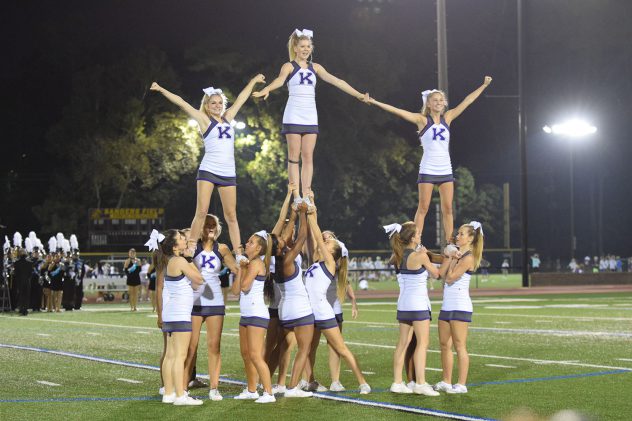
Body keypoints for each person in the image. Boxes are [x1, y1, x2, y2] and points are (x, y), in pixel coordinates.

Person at [151, 74, 266, 257]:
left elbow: (242, 98)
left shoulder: (228, 117)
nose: (217, 106)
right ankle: (190, 246)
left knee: (231, 215)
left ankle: (238, 253)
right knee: (202, 210)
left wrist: (252, 81)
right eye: (213, 103)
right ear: (206, 105)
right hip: (209, 170)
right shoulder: (204, 120)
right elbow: (181, 102)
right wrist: (161, 89)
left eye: (220, 103)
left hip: (228, 172)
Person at [367, 77, 492, 244]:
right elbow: (397, 111)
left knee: (448, 209)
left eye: (441, 100)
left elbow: (467, 101)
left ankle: (450, 243)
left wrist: (483, 85)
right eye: (435, 100)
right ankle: (415, 241)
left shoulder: (448, 117)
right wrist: (375, 102)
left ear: (444, 103)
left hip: (445, 169)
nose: (439, 102)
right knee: (423, 208)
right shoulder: (422, 120)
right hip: (428, 169)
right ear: (428, 104)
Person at [252, 29, 369, 202]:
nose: (306, 49)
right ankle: (296, 194)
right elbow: (279, 80)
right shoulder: (289, 66)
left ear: (311, 48)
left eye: (308, 46)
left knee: (307, 156)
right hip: (293, 113)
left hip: (310, 115)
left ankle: (306, 194)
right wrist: (267, 89)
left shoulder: (317, 68)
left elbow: (337, 81)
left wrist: (358, 94)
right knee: (294, 155)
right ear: (296, 48)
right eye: (302, 46)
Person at [304, 203, 371, 394]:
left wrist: (311, 214)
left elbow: (317, 235)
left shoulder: (330, 261)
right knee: (306, 348)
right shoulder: (316, 261)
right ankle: (306, 382)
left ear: (332, 251)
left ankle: (363, 382)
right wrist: (310, 213)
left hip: (323, 312)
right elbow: (315, 238)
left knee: (340, 348)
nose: (324, 242)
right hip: (310, 312)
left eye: (329, 243)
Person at [185, 214, 238, 401]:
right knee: (191, 347)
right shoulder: (192, 248)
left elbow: (235, 267)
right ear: (200, 227)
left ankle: (214, 388)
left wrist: (245, 266)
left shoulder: (222, 248)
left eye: (213, 225)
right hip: (194, 302)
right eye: (207, 225)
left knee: (214, 346)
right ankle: (183, 388)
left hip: (215, 301)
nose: (210, 228)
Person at [384, 222, 440, 396]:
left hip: (403, 304)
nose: (420, 236)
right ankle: (420, 383)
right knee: (422, 343)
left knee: (402, 343)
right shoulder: (419, 256)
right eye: (418, 234)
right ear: (413, 237)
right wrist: (426, 254)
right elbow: (437, 275)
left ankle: (397, 382)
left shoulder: (397, 256)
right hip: (418, 304)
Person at [154, 229, 204, 406]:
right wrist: (190, 259)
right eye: (181, 238)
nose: (185, 240)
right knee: (179, 356)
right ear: (175, 247)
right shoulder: (180, 260)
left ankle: (168, 394)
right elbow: (199, 279)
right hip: (180, 313)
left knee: (170, 355)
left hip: (171, 313)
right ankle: (181, 396)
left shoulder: (169, 261)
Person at [435, 221, 484, 394]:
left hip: (460, 305)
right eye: (458, 233)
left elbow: (449, 278)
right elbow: (441, 275)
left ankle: (461, 384)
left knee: (459, 345)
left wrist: (451, 258)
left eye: (462, 234)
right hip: (447, 303)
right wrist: (449, 255)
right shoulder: (456, 254)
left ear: (470, 238)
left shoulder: (468, 257)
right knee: (444, 344)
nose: (458, 236)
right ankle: (446, 381)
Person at [271, 202, 315, 397]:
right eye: (280, 240)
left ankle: (273, 383)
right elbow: (303, 236)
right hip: (299, 308)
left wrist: (293, 213)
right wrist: (304, 214)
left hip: (284, 309)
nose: (283, 238)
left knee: (282, 346)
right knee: (304, 348)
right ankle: (292, 387)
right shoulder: (287, 259)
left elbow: (288, 235)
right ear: (278, 247)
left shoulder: (276, 258)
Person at [231, 231, 276, 403]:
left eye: (250, 242)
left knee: (256, 355)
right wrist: (240, 269)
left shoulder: (256, 263)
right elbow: (235, 291)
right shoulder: (248, 263)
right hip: (246, 314)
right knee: (246, 354)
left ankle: (269, 393)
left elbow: (244, 287)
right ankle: (251, 390)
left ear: (258, 248)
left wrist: (242, 268)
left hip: (257, 314)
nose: (246, 244)